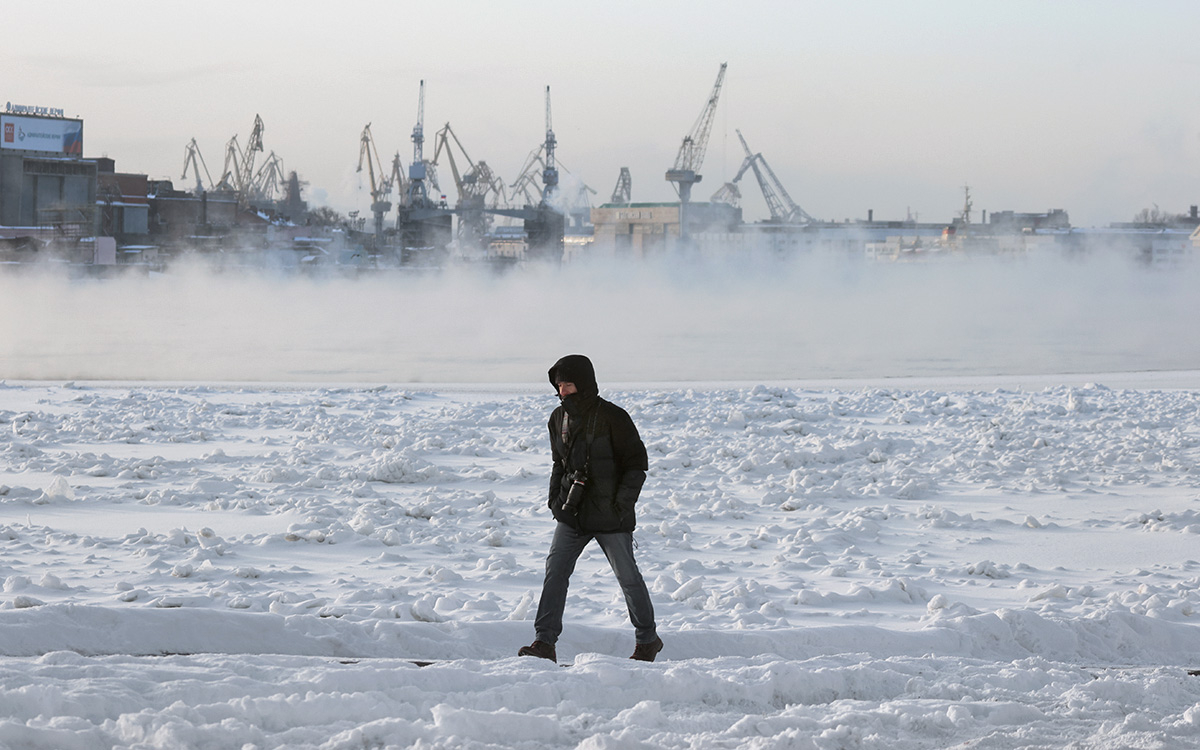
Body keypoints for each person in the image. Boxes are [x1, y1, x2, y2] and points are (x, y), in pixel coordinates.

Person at [518, 354, 663, 663]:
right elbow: (559, 463)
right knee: (555, 572)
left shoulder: (613, 416)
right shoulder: (558, 418)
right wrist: (555, 501)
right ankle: (544, 643)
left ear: (583, 383)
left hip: (611, 515)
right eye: (558, 386)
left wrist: (622, 505)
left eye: (568, 384)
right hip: (572, 512)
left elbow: (636, 465)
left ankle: (647, 640)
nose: (562, 392)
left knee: (628, 578)